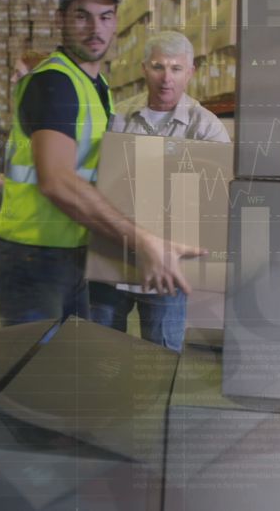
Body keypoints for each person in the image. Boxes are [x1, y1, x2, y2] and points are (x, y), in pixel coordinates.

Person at [0, 0, 206, 326]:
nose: (95, 28)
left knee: (68, 357)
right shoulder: (55, 82)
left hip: (71, 253)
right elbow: (56, 180)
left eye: (105, 17)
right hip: (35, 258)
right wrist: (143, 241)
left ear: (116, 23)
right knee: (36, 360)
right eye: (82, 16)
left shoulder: (96, 85)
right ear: (60, 20)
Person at [89, 30, 231, 352]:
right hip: (112, 259)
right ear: (144, 68)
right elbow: (96, 180)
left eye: (176, 68)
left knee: (160, 358)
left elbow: (216, 198)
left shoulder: (205, 127)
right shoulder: (118, 118)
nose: (167, 78)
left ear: (191, 72)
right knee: (101, 351)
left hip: (168, 269)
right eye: (158, 67)